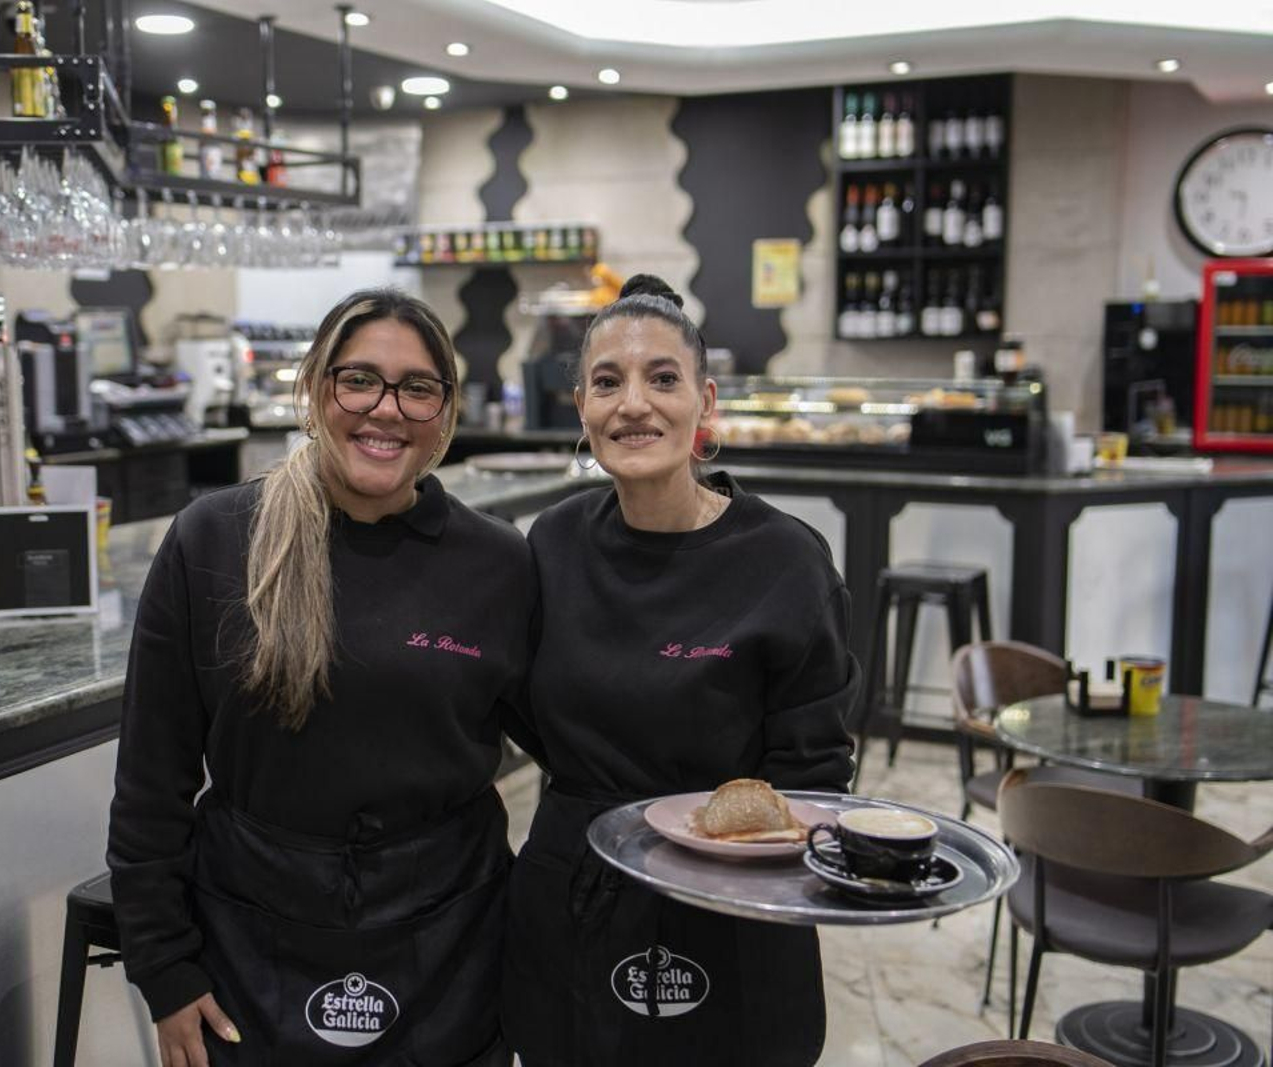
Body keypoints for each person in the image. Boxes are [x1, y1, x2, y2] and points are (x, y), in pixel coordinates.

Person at [109, 288, 534, 1067]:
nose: (387, 409)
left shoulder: (497, 562)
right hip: (252, 943)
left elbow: (578, 738)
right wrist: (164, 967)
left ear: (446, 410)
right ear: (314, 386)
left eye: (417, 387)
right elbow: (151, 782)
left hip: (452, 946)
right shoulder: (213, 540)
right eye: (359, 379)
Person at [503, 274, 859, 1065]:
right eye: (608, 381)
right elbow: (524, 710)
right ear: (583, 409)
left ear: (705, 400)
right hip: (572, 890)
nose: (634, 403)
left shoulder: (787, 562)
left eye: (662, 378)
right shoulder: (552, 544)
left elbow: (816, 775)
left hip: (731, 903)